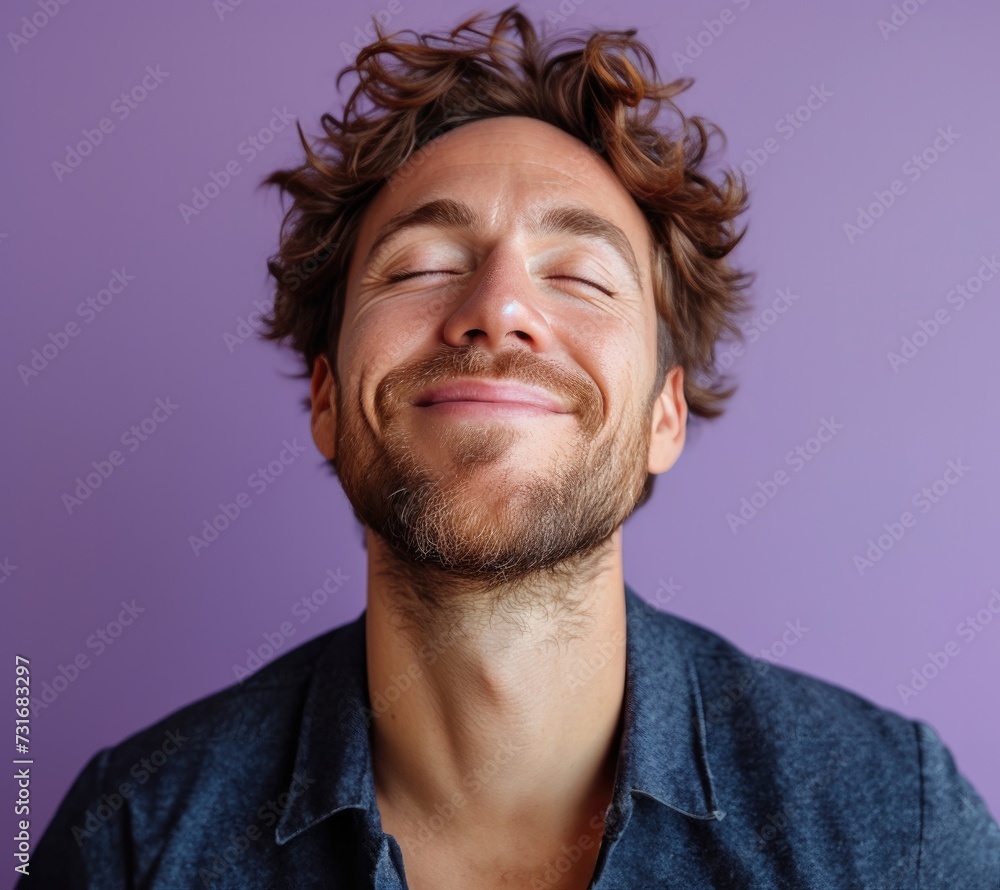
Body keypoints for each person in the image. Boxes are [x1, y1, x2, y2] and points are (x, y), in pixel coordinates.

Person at [21, 7, 1000, 888]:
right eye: (425, 263)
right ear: (325, 397)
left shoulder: (893, 832)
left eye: (577, 273)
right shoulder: (135, 841)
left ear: (665, 415)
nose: (496, 308)